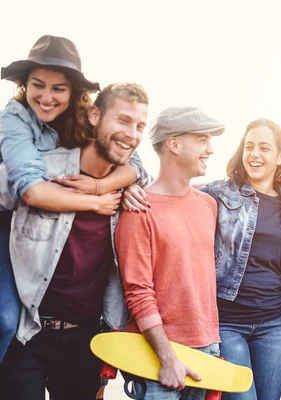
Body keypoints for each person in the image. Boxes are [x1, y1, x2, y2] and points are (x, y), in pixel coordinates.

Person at [0, 35, 147, 363]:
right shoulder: (15, 118)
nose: (47, 97)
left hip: (76, 314)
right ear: (25, 85)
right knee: (5, 320)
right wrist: (96, 202)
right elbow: (32, 191)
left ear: (74, 93)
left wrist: (107, 186)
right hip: (6, 220)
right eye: (38, 85)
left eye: (59, 89)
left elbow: (133, 162)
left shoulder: (80, 119)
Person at [199, 118, 281, 400]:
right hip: (228, 323)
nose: (255, 154)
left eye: (264, 148)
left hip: (274, 324)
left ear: (280, 157)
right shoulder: (220, 193)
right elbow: (178, 203)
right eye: (249, 147)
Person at [116, 107, 223, 399]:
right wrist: (167, 358)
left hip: (207, 349)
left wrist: (213, 344)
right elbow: (138, 292)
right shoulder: (138, 209)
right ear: (174, 144)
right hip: (158, 357)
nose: (210, 149)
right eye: (202, 139)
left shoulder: (207, 205)